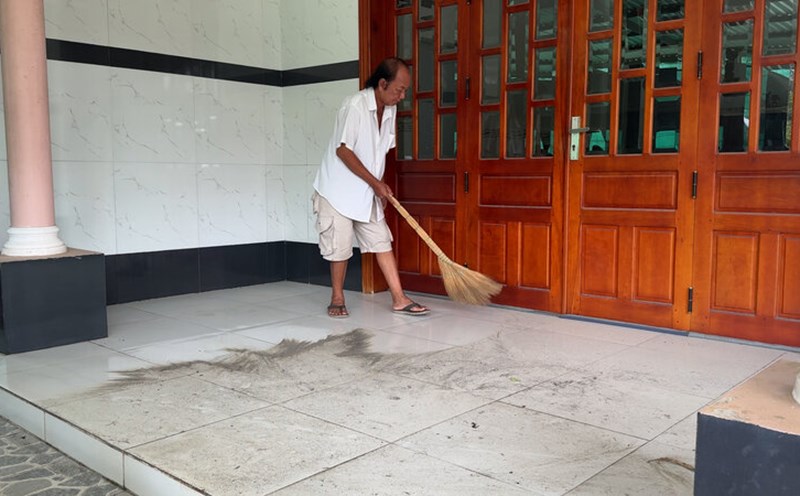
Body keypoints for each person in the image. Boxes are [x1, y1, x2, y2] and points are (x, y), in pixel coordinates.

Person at [312, 57, 430, 319]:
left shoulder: (389, 109)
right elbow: (343, 151)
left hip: (366, 190)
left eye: (405, 91)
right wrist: (376, 183)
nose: (402, 96)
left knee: (381, 241)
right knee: (340, 247)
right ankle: (337, 297)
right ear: (382, 83)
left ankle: (399, 298)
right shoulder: (354, 106)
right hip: (337, 191)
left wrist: (380, 186)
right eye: (399, 90)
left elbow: (380, 153)